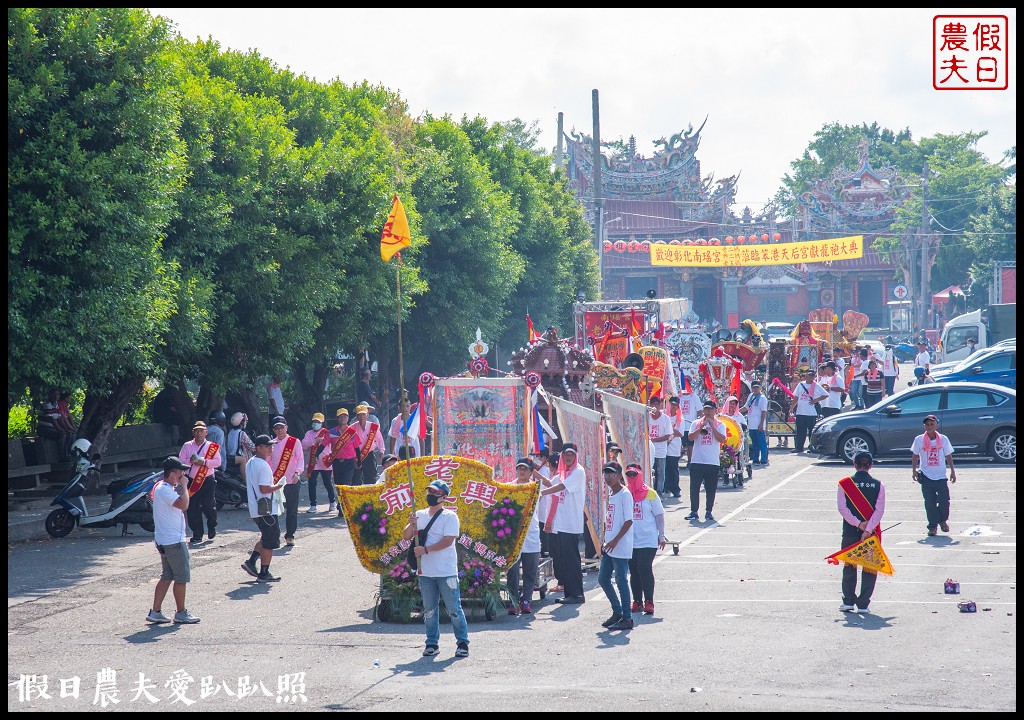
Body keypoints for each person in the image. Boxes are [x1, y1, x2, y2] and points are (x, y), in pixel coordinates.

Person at [402, 479, 470, 658]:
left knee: (454, 609)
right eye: (429, 492)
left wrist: (425, 550)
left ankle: (462, 642)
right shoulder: (420, 514)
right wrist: (411, 523)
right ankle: (431, 643)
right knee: (429, 610)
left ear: (444, 497)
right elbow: (406, 536)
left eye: (435, 493)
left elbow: (449, 541)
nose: (430, 496)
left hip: (446, 572)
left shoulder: (450, 517)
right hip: (425, 572)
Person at [146, 457, 199, 624]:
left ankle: (155, 611)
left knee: (167, 575)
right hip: (173, 541)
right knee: (181, 577)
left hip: (165, 539)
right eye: (180, 471)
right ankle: (181, 612)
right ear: (172, 473)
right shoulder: (165, 490)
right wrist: (184, 486)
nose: (183, 474)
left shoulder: (163, 488)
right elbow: (184, 505)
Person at [837, 451, 885, 614]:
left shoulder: (844, 483)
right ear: (870, 466)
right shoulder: (879, 485)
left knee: (850, 565)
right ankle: (863, 603)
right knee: (869, 567)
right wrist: (868, 528)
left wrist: (858, 524)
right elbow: (879, 511)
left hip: (850, 530)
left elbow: (842, 509)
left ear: (854, 464)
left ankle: (848, 601)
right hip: (871, 533)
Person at [540, 443, 586, 604]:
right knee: (565, 561)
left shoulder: (578, 471)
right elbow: (550, 483)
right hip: (561, 524)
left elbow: (559, 487)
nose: (568, 457)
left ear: (576, 456)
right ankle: (570, 593)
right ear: (561, 455)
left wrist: (542, 493)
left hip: (571, 524)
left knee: (572, 560)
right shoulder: (562, 472)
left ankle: (577, 594)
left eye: (572, 455)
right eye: (566, 454)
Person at [241, 435, 285, 583]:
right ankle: (264, 573)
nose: (270, 448)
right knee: (269, 542)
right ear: (259, 447)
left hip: (256, 508)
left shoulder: (251, 462)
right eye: (267, 446)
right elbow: (265, 488)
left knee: (266, 537)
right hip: (266, 509)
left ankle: (251, 562)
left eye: (271, 445)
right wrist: (280, 486)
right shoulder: (263, 465)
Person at [626, 463, 665, 617]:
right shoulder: (625, 493)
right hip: (630, 541)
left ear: (640, 475)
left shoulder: (651, 494)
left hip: (648, 540)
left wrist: (661, 535)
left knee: (644, 568)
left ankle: (649, 601)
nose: (631, 477)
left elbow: (659, 515)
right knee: (634, 571)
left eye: (634, 475)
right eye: (629, 475)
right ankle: (637, 601)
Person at [598, 461, 634, 631]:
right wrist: (605, 540)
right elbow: (610, 521)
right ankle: (617, 611)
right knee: (603, 579)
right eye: (606, 473)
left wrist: (615, 541)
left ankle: (627, 617)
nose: (608, 477)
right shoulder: (612, 494)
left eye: (612, 474)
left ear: (620, 475)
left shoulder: (625, 494)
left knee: (621, 581)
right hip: (610, 545)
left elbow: (628, 521)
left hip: (620, 545)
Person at [911, 415, 957, 537]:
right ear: (924, 426)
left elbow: (948, 456)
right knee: (930, 503)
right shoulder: (919, 439)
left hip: (941, 476)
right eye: (927, 424)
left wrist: (952, 471)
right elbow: (915, 455)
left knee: (944, 501)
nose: (929, 427)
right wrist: (914, 470)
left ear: (936, 425)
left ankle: (943, 520)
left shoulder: (943, 439)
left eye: (932, 424)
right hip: (926, 476)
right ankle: (932, 526)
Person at [506, 458, 542, 615]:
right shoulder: (508, 488)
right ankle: (513, 600)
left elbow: (550, 485)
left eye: (526, 469)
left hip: (531, 534)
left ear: (531, 472)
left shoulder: (535, 488)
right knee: (512, 570)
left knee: (530, 570)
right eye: (520, 468)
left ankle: (526, 599)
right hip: (514, 536)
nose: (522, 471)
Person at [178, 421, 221, 545]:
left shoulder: (211, 447)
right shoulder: (187, 446)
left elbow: (218, 462)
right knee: (192, 509)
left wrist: (205, 462)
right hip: (191, 481)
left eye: (201, 430)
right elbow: (181, 461)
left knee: (209, 506)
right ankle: (197, 534)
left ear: (206, 432)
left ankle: (212, 525)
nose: (199, 433)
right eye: (197, 430)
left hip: (207, 480)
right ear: (193, 432)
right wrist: (190, 461)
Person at [685, 401, 727, 523]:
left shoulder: (720, 425)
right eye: (706, 410)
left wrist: (712, 426)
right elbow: (690, 437)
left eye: (710, 409)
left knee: (710, 488)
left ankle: (709, 511)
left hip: (712, 462)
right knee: (694, 487)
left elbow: (721, 439)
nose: (708, 412)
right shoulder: (696, 423)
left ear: (715, 410)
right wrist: (701, 426)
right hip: (697, 460)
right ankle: (694, 511)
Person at [270, 416, 304, 546]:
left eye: (281, 427)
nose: (279, 430)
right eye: (276, 428)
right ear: (273, 430)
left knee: (291, 510)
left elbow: (300, 459)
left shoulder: (294, 442)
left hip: (291, 481)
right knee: (274, 510)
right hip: (276, 482)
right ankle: (274, 536)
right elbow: (268, 462)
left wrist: (297, 473)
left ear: (286, 428)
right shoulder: (271, 443)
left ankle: (290, 535)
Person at [324, 408, 358, 517]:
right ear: (337, 418)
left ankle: (344, 508)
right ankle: (341, 504)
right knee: (339, 486)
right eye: (341, 416)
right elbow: (323, 445)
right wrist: (315, 455)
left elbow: (357, 448)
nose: (343, 418)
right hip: (337, 463)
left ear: (348, 418)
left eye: (345, 416)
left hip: (349, 463)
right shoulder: (331, 432)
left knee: (346, 484)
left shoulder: (352, 432)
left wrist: (360, 461)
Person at [302, 412, 334, 513]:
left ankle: (332, 502)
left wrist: (322, 440)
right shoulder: (309, 433)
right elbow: (303, 445)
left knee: (327, 483)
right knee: (312, 484)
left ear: (322, 423)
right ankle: (313, 505)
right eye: (314, 421)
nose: (316, 423)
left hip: (325, 463)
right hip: (313, 463)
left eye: (318, 422)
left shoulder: (327, 433)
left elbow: (332, 444)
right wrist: (315, 441)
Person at [791, 369, 827, 454]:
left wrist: (816, 400)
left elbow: (825, 394)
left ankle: (812, 447)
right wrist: (792, 407)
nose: (810, 377)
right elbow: (796, 397)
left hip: (811, 413)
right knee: (800, 431)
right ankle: (799, 447)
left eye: (812, 376)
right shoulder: (801, 385)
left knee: (812, 432)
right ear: (806, 376)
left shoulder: (816, 386)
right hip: (801, 412)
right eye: (809, 376)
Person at [351, 404, 385, 486]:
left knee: (371, 477)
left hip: (369, 454)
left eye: (363, 414)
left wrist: (381, 451)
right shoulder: (352, 427)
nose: (361, 417)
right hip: (356, 456)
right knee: (356, 478)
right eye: (359, 415)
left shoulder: (373, 427)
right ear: (357, 416)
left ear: (367, 415)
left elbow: (379, 439)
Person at [647, 395, 673, 495]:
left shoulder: (665, 419)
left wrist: (653, 440)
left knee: (660, 472)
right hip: (649, 449)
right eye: (653, 404)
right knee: (649, 471)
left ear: (660, 405)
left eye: (657, 404)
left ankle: (659, 491)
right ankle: (650, 491)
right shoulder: (647, 416)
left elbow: (667, 436)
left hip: (661, 449)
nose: (655, 406)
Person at [37, 390, 72, 458]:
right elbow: (52, 419)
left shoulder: (56, 405)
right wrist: (60, 429)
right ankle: (62, 456)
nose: (56, 396)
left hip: (51, 428)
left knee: (69, 434)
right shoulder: (47, 404)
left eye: (58, 395)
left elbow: (60, 419)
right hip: (43, 429)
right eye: (54, 394)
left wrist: (66, 429)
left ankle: (67, 454)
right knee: (62, 434)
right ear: (50, 395)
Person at [742, 381, 769, 466]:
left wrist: (761, 424)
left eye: (757, 387)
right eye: (754, 387)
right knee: (754, 442)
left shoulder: (762, 398)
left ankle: (764, 458)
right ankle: (756, 458)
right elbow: (746, 407)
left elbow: (763, 412)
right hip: (751, 424)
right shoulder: (751, 396)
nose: (755, 389)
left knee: (761, 442)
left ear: (760, 388)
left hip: (758, 423)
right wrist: (736, 412)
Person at [677, 381, 701, 467]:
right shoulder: (678, 397)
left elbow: (699, 411)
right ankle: (677, 460)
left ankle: (690, 461)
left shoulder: (695, 397)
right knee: (679, 444)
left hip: (690, 426)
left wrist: (698, 423)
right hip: (680, 426)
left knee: (690, 445)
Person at [664, 397, 684, 498]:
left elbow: (680, 433)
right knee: (664, 468)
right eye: (671, 404)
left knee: (673, 468)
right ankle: (665, 487)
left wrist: (670, 430)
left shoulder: (680, 418)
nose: (673, 406)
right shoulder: (665, 416)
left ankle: (675, 488)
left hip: (674, 445)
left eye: (675, 405)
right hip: (664, 445)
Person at [226, 412, 254, 483]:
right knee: (245, 459)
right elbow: (252, 447)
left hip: (230, 456)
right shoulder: (242, 433)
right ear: (242, 422)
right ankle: (246, 481)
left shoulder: (230, 432)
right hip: (236, 457)